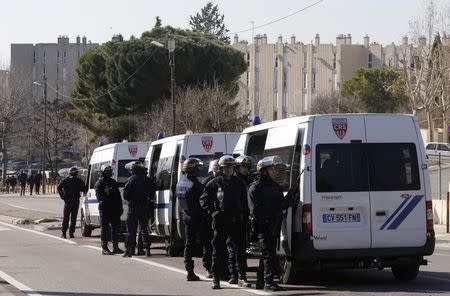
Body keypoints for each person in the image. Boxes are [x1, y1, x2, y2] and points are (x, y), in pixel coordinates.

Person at [200, 155, 250, 289]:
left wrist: (245, 218)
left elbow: (245, 203)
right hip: (221, 222)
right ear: (221, 169)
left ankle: (241, 277)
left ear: (234, 168)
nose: (228, 170)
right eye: (225, 168)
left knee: (239, 251)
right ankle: (216, 279)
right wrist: (212, 212)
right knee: (217, 251)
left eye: (231, 167)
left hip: (236, 222)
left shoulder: (240, 183)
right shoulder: (214, 183)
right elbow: (203, 200)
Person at [248, 156, 292, 291]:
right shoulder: (254, 188)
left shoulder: (275, 187)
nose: (274, 172)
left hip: (274, 226)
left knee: (268, 253)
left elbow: (281, 204)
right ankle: (268, 282)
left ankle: (260, 281)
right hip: (263, 226)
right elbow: (255, 210)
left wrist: (290, 197)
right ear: (263, 171)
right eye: (271, 170)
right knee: (268, 254)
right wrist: (273, 213)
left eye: (274, 169)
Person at [176, 158, 212, 281]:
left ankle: (189, 271)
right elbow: (202, 203)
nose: (199, 171)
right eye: (197, 168)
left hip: (186, 216)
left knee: (189, 245)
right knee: (207, 242)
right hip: (198, 217)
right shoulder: (196, 185)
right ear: (193, 170)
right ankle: (209, 267)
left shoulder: (180, 183)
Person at [226, 155, 254, 283]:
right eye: (244, 166)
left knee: (241, 249)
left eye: (248, 166)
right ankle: (234, 275)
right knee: (232, 249)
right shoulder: (233, 182)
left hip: (245, 220)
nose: (246, 169)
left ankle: (242, 274)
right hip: (232, 220)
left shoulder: (250, 181)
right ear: (236, 168)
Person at [122, 161, 154, 258]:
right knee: (144, 228)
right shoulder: (148, 180)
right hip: (144, 206)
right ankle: (147, 249)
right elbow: (152, 192)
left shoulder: (131, 180)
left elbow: (125, 195)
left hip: (133, 207)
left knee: (131, 230)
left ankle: (129, 250)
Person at [95, 164, 124, 255]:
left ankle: (115, 247)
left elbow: (118, 197)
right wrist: (108, 195)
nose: (109, 173)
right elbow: (99, 197)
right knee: (105, 229)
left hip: (115, 209)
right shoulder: (99, 183)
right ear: (103, 172)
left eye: (110, 171)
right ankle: (105, 248)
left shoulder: (113, 182)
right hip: (105, 209)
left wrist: (120, 207)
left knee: (115, 228)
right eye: (107, 171)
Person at [57, 167, 87, 238]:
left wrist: (63, 197)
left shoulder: (66, 180)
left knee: (66, 218)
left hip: (68, 201)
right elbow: (84, 189)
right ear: (76, 173)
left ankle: (64, 233)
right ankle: (71, 233)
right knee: (73, 218)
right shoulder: (79, 181)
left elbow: (59, 187)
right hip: (75, 201)